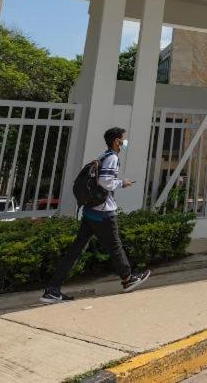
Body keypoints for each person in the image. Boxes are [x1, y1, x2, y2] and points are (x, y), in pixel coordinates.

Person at [41, 127, 151, 303]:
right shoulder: (112, 158)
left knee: (75, 250)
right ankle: (127, 279)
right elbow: (105, 181)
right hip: (103, 212)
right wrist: (123, 183)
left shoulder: (102, 156)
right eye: (122, 139)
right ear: (116, 141)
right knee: (115, 247)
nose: (124, 142)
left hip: (90, 211)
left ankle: (52, 289)